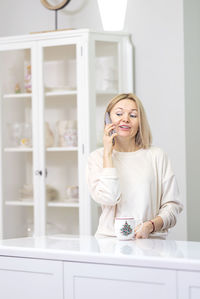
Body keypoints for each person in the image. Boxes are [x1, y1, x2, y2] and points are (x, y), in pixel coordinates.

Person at [86, 93, 183, 239]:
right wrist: (108, 154)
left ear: (140, 122)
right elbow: (109, 198)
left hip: (151, 242)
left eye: (133, 115)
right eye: (119, 113)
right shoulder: (97, 158)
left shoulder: (157, 155)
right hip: (109, 242)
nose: (125, 119)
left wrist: (150, 226)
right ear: (108, 120)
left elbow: (173, 207)